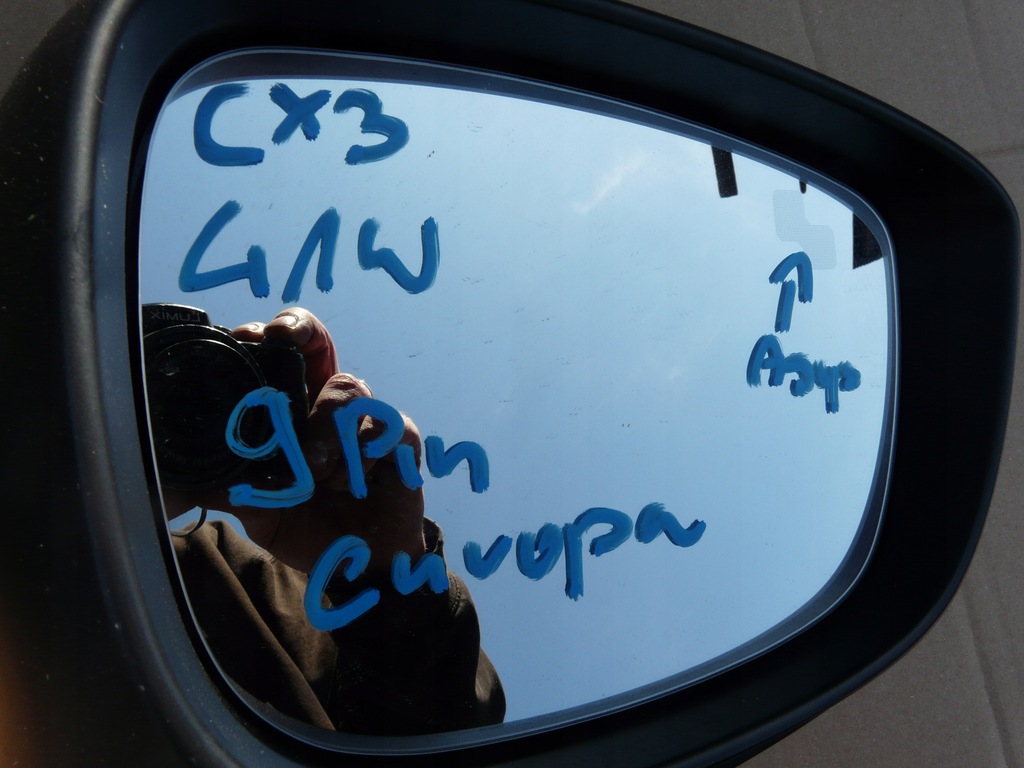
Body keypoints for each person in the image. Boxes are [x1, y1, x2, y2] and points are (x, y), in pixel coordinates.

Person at [160, 308, 505, 735]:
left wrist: (384, 586)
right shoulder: (236, 583)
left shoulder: (250, 588)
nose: (175, 409)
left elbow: (435, 738)